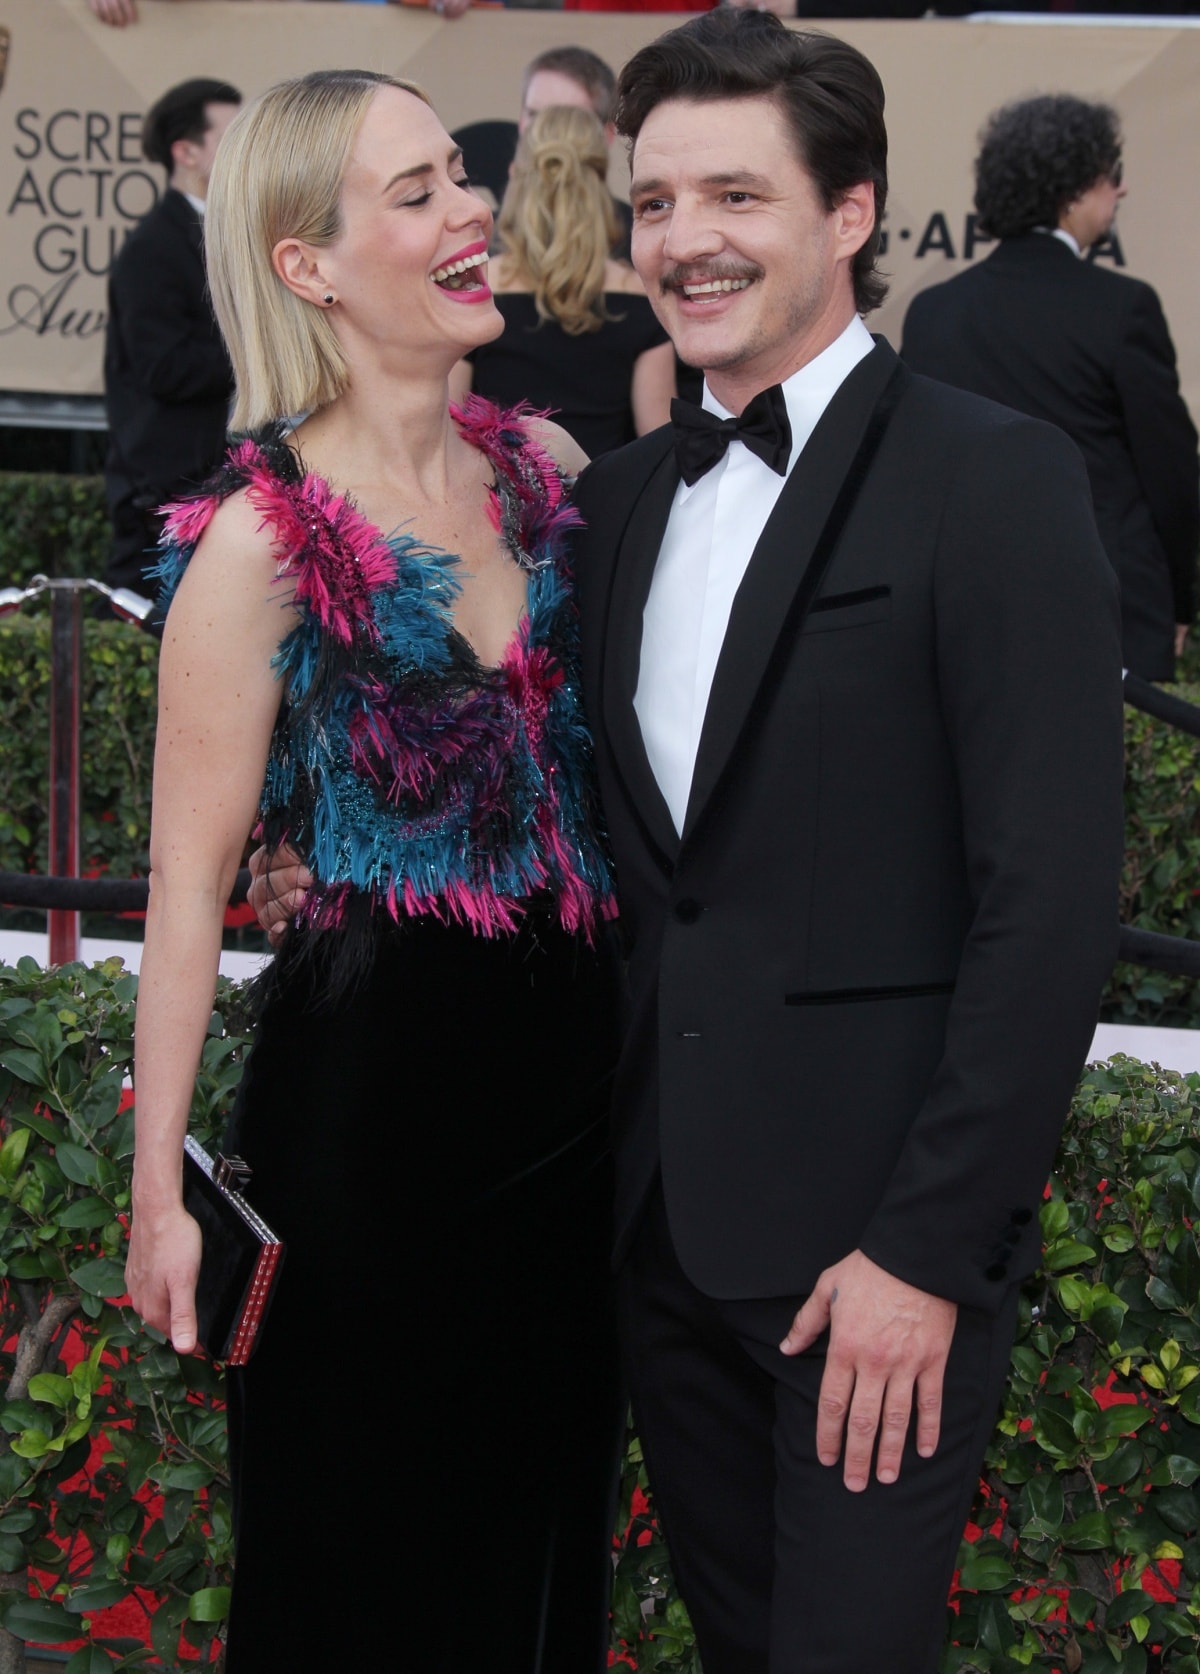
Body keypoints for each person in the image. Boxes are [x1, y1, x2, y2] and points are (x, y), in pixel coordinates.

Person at [252, 15, 1125, 1669]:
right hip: (651, 1232)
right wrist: (329, 850)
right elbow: (545, 805)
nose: (687, 242)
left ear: (852, 212)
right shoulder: (623, 502)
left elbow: (1055, 896)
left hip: (874, 1261)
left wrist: (925, 1250)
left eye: (737, 194)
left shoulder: (991, 479)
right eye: (656, 203)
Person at [124, 69, 621, 1672]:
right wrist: (158, 1201)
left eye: (458, 178)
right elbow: (189, 890)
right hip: (367, 1120)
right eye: (415, 194)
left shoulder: (553, 471)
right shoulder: (260, 535)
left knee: (538, 1551)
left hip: (576, 1107)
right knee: (360, 1561)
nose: (471, 208)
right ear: (307, 264)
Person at [901, 95, 1199, 682]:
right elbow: (1172, 473)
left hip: (962, 602)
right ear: (1072, 191)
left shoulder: (934, 312)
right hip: (1103, 603)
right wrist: (1181, 601)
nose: (1123, 190)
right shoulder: (1122, 307)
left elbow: (913, 468)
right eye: (1111, 175)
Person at [454, 104, 675, 458]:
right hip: (604, 502)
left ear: (517, 175)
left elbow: (449, 424)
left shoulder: (478, 285)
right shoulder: (640, 290)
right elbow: (661, 444)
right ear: (598, 183)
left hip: (505, 504)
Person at [103, 78, 240, 609]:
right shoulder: (153, 248)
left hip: (219, 486)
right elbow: (165, 368)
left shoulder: (234, 235)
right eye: (230, 137)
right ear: (187, 153)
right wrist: (262, 354)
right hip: (165, 497)